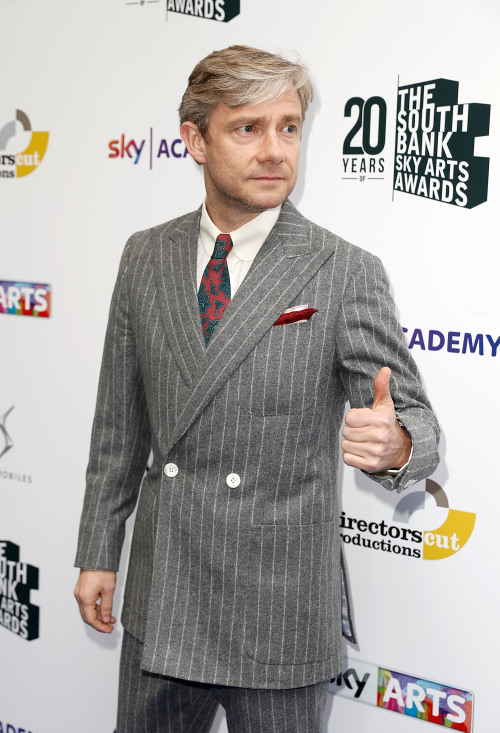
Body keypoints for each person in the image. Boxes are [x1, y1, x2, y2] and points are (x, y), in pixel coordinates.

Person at [74, 45, 439, 733]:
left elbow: (410, 415)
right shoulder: (144, 256)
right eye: (248, 128)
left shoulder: (343, 270)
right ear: (195, 140)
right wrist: (98, 550)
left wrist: (397, 443)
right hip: (164, 602)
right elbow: (118, 427)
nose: (276, 150)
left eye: (290, 127)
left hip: (277, 615)